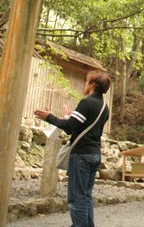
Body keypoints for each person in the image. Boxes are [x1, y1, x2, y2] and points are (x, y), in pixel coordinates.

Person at [34, 70, 110, 227]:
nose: (85, 84)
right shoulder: (104, 107)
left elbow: (69, 127)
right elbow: (83, 125)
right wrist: (71, 115)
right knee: (86, 195)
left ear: (93, 85)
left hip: (81, 155)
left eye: (87, 81)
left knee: (77, 198)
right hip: (94, 154)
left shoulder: (86, 102)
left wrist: (49, 117)